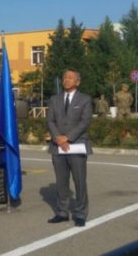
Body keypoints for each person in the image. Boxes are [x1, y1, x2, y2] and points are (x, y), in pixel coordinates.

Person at [46, 69, 93, 227]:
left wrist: (68, 137)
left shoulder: (85, 99)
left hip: (77, 145)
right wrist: (58, 139)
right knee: (61, 182)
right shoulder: (54, 99)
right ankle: (62, 212)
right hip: (57, 146)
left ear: (77, 82)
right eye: (65, 77)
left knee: (79, 181)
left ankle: (80, 214)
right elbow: (50, 121)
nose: (66, 80)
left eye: (70, 78)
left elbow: (85, 122)